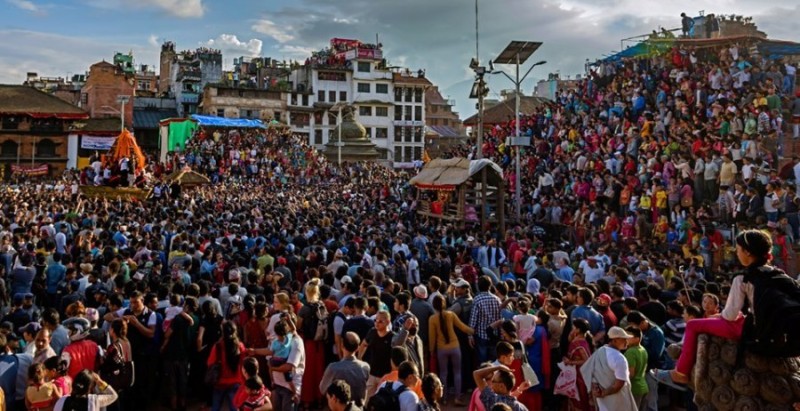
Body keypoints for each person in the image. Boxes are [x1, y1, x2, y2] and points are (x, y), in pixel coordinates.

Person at [652, 229, 776, 386]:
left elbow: (730, 315)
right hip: (772, 329)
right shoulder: (780, 275)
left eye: (738, 250)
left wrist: (720, 316)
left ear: (748, 252)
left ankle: (680, 373)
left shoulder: (743, 279)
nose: (737, 254)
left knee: (693, 324)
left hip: (751, 329)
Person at [429, 294, 474, 405]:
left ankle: (444, 398)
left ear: (434, 305)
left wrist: (431, 350)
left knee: (443, 374)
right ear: (444, 304)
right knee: (457, 372)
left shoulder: (432, 319)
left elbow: (432, 337)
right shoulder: (451, 314)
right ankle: (457, 398)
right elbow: (463, 327)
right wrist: (473, 331)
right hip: (455, 347)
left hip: (441, 349)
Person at [579, 326, 638, 411]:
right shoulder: (619, 358)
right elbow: (619, 385)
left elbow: (587, 371)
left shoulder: (599, 351)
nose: (627, 342)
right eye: (623, 339)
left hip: (603, 402)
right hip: (618, 402)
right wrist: (603, 393)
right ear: (615, 340)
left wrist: (596, 388)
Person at [319, 332, 371, 406]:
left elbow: (322, 389)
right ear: (357, 348)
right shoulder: (365, 367)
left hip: (339, 407)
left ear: (342, 345)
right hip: (358, 407)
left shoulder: (333, 368)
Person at [207, 321, 246, 411]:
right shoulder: (240, 346)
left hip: (220, 382)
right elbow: (243, 363)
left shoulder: (218, 346)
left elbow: (210, 363)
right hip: (236, 381)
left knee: (216, 407)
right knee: (234, 408)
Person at [563, 319, 593, 411]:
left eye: (574, 327)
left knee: (580, 397)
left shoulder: (578, 343)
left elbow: (586, 360)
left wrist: (570, 362)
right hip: (575, 373)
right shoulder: (578, 339)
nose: (572, 328)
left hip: (579, 374)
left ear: (578, 329)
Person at [52, 370, 118, 411]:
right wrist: (99, 381)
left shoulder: (62, 400)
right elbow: (113, 395)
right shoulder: (94, 401)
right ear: (90, 387)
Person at [623, 327, 648, 411]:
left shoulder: (631, 352)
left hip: (634, 389)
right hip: (643, 387)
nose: (625, 338)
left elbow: (631, 374)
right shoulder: (643, 350)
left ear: (637, 339)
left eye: (628, 336)